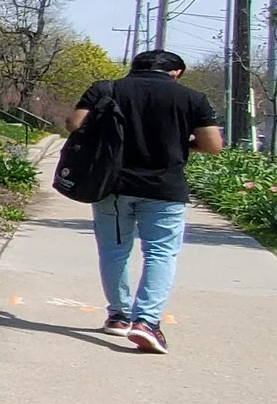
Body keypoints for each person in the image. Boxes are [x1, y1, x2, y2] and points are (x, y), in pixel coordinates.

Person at [66, 49, 223, 353]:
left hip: (111, 184)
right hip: (165, 189)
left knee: (114, 250)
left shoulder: (105, 89)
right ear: (175, 72)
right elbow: (213, 144)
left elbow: (75, 124)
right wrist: (183, 140)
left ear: (133, 68)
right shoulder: (193, 98)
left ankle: (119, 316)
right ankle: (147, 322)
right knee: (161, 253)